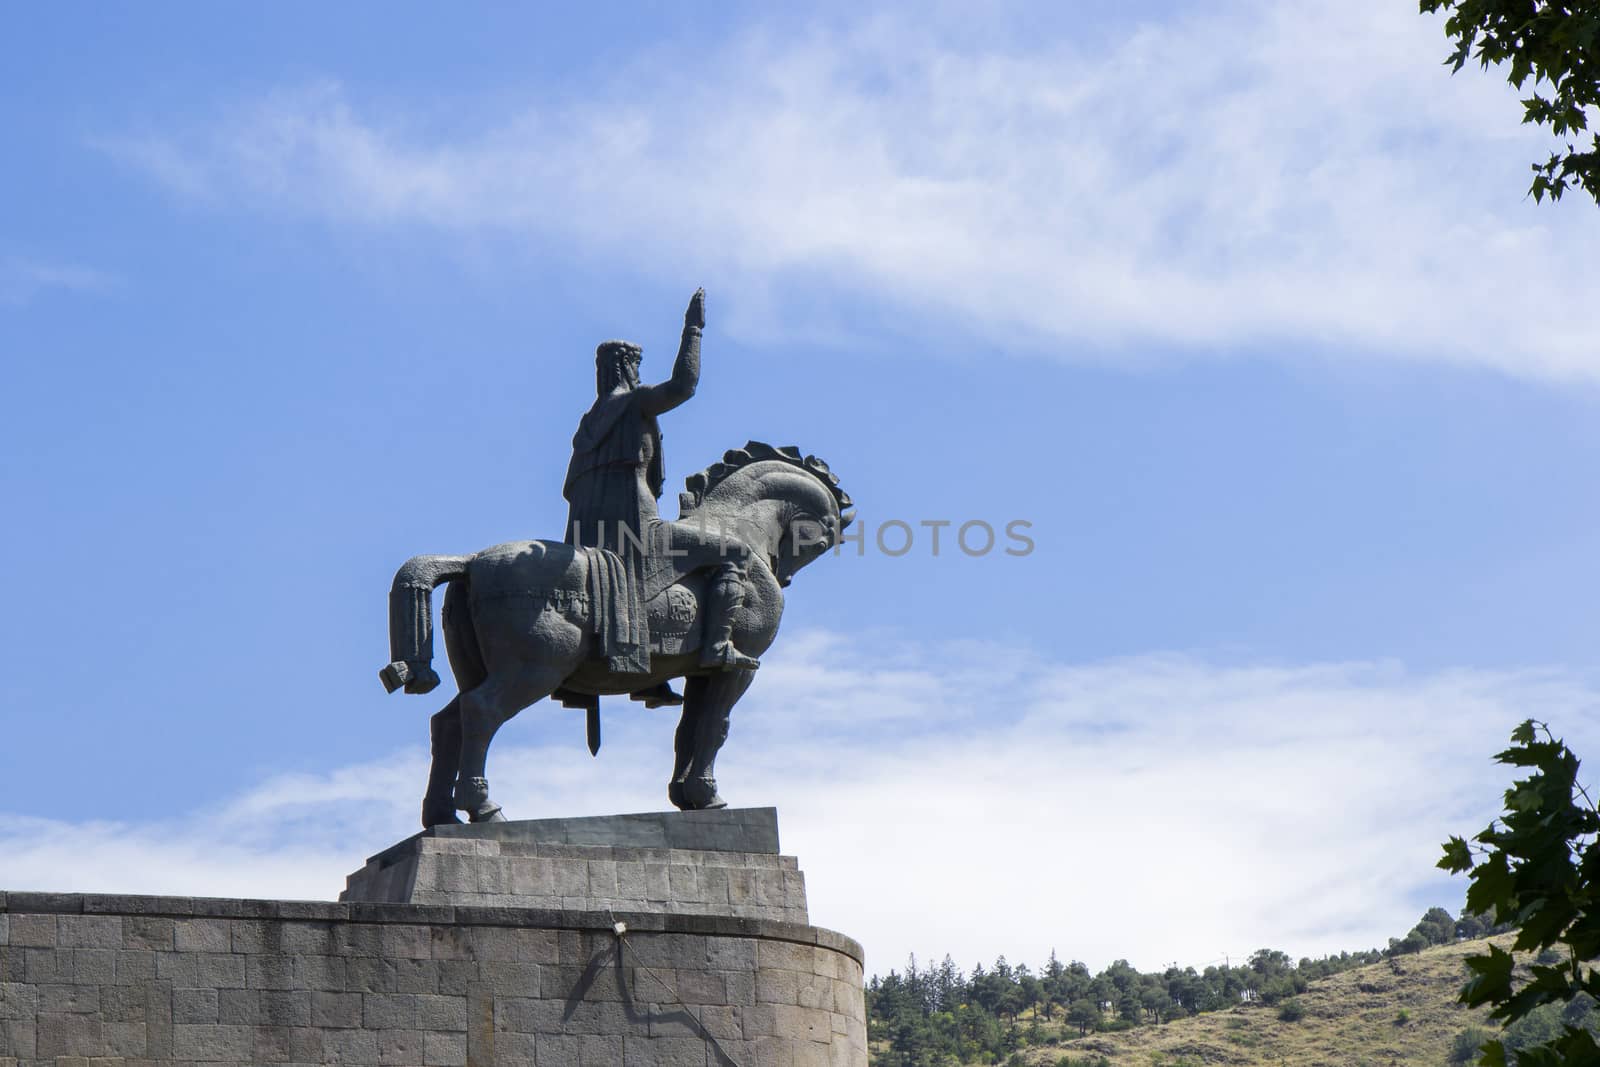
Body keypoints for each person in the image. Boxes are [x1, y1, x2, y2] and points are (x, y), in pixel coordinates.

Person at [562, 288, 760, 704]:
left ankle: (649, 675)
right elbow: (684, 386)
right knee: (736, 552)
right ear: (629, 369)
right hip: (636, 524)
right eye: (636, 365)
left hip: (589, 533)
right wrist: (694, 330)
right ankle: (717, 645)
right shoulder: (634, 403)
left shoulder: (589, 425)